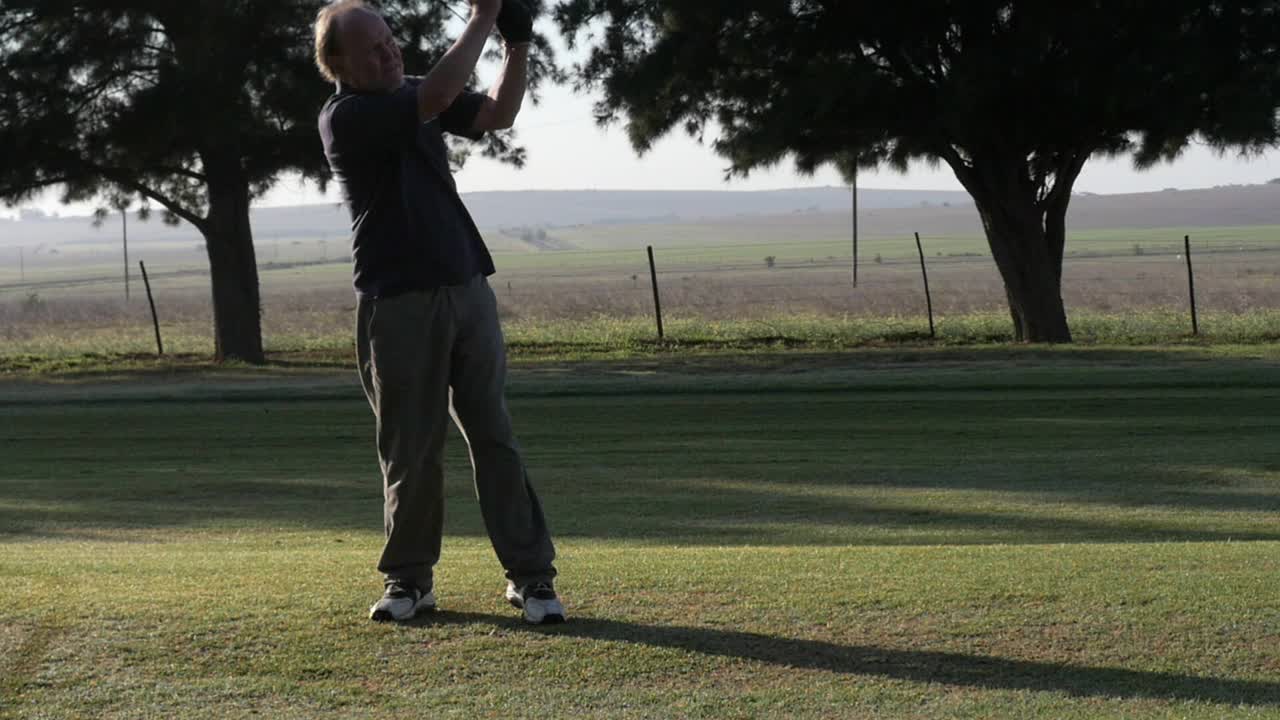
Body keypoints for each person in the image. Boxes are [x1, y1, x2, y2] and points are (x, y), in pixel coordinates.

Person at [313, 0, 563, 624]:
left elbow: (498, 114)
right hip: (397, 299)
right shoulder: (346, 116)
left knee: (494, 437)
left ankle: (531, 578)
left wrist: (516, 43)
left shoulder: (416, 92)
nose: (389, 52)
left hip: (466, 285)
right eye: (372, 49)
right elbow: (437, 97)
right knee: (411, 449)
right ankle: (409, 580)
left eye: (389, 39)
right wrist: (483, 15)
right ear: (337, 63)